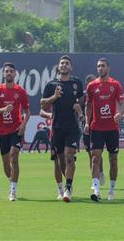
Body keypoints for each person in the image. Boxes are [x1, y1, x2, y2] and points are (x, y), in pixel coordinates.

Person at [40, 55, 84, 202]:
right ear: (58, 67)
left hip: (72, 126)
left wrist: (79, 107)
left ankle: (68, 188)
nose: (64, 65)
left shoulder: (76, 83)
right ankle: (60, 189)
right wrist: (54, 97)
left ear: (71, 67)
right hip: (57, 127)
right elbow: (43, 104)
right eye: (62, 63)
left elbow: (81, 99)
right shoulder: (51, 84)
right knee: (60, 161)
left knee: (69, 155)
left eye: (67, 63)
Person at [84, 58, 124, 201]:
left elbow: (122, 103)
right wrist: (87, 122)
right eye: (98, 66)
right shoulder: (91, 86)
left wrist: (120, 113)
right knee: (95, 158)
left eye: (103, 66)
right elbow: (88, 105)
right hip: (96, 128)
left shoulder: (115, 84)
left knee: (113, 160)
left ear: (108, 68)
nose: (100, 68)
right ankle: (96, 191)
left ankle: (112, 190)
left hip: (112, 128)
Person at [0, 62, 31, 201]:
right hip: (3, 131)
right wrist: (2, 110)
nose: (9, 73)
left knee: (14, 156)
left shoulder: (20, 91)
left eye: (11, 71)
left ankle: (13, 192)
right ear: (3, 73)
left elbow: (28, 111)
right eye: (6, 71)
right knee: (6, 163)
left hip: (17, 129)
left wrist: (24, 124)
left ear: (15, 74)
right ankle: (11, 180)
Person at [81, 74, 104, 189]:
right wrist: (82, 117)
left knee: (97, 153)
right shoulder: (85, 95)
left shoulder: (101, 92)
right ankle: (94, 180)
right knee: (91, 154)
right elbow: (78, 107)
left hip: (99, 126)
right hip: (87, 127)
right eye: (90, 82)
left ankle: (101, 172)